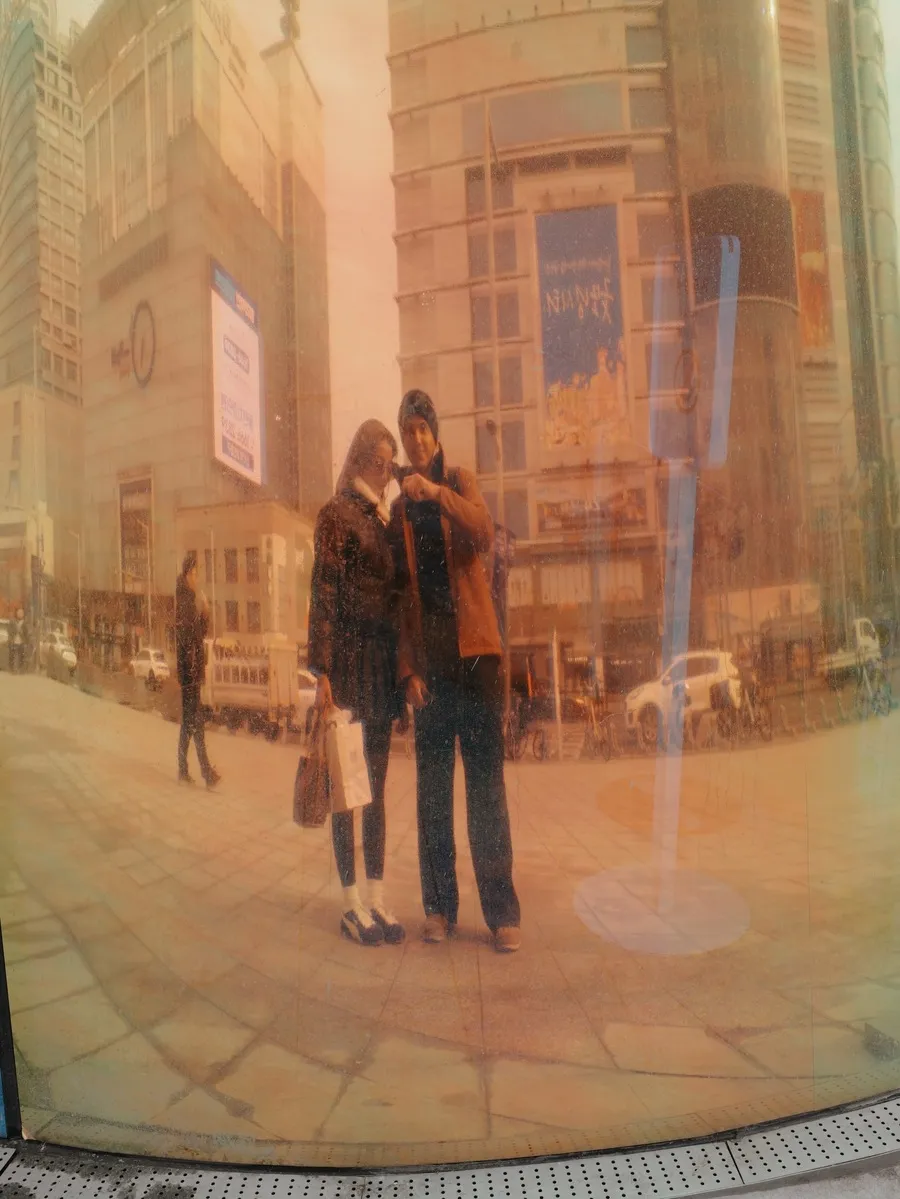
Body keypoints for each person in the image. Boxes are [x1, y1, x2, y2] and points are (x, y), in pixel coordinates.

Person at [390, 389, 521, 954]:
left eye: (423, 428)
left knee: (486, 790)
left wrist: (438, 494)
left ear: (435, 433)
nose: (416, 439)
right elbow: (401, 597)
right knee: (433, 795)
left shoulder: (460, 480)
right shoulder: (399, 510)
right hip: (434, 672)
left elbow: (484, 533)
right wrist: (407, 671)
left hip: (477, 660)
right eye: (408, 431)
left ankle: (502, 914)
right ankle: (439, 908)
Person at [308, 419, 406, 947]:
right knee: (348, 790)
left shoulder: (383, 520)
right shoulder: (335, 514)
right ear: (362, 460)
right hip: (346, 665)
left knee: (378, 788)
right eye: (380, 463)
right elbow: (323, 592)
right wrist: (320, 671)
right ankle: (350, 904)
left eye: (390, 465)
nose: (387, 473)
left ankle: (376, 898)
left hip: (380, 668)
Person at [175, 553, 220, 789]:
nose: (196, 578)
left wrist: (205, 613)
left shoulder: (187, 600)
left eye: (197, 574)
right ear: (186, 575)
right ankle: (205, 772)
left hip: (190, 672)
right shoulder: (185, 602)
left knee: (190, 723)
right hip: (190, 673)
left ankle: (186, 770)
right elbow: (188, 640)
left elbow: (197, 635)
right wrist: (193, 672)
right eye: (193, 574)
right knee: (195, 722)